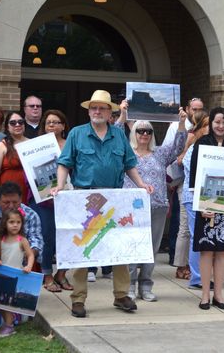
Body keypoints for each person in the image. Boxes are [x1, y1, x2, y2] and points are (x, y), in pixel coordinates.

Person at [52, 89, 153, 318]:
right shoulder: (77, 134)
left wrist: (141, 185)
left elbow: (129, 164)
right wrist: (59, 185)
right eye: (93, 108)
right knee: (83, 248)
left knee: (119, 247)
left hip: (115, 199)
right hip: (84, 199)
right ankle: (78, 298)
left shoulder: (118, 136)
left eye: (102, 108)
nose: (97, 111)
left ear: (110, 112)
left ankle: (121, 295)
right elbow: (64, 163)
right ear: (89, 111)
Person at [124, 112, 187, 302]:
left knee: (151, 248)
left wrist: (182, 123)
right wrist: (122, 116)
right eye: (140, 130)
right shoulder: (126, 152)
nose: (144, 134)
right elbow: (117, 133)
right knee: (132, 247)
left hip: (157, 206)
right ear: (133, 132)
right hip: (131, 208)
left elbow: (179, 145)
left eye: (148, 131)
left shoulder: (159, 153)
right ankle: (130, 285)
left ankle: (146, 285)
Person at [189, 107, 224, 310]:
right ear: (211, 123)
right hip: (206, 205)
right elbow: (194, 177)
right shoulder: (201, 144)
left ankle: (219, 295)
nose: (221, 126)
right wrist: (201, 206)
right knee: (207, 251)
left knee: (222, 252)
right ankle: (204, 295)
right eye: (217, 122)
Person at [32, 109, 73, 293]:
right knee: (47, 237)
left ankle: (62, 274)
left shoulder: (70, 145)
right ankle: (47, 275)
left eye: (56, 122)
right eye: (48, 122)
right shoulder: (36, 146)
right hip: (45, 200)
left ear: (63, 126)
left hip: (68, 198)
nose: (52, 125)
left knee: (70, 237)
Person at [175, 111, 209, 284]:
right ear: (201, 129)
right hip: (194, 196)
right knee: (198, 236)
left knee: (204, 236)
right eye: (208, 125)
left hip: (207, 197)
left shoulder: (206, 147)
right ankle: (197, 277)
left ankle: (201, 275)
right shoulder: (195, 148)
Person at [0, 181, 43, 267]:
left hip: (21, 265)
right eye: (6, 202)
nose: (11, 206)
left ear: (21, 199)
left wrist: (30, 253)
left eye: (15, 202)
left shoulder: (31, 215)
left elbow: (36, 239)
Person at [0, 208, 34, 337]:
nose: (15, 225)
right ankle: (8, 322)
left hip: (15, 277)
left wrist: (28, 266)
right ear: (5, 223)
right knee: (0, 302)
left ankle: (9, 326)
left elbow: (31, 255)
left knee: (8, 303)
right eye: (11, 222)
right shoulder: (2, 240)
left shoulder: (22, 240)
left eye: (18, 222)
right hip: (2, 276)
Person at [0, 111, 29, 204]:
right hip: (8, 192)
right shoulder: (1, 146)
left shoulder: (32, 143)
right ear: (7, 126)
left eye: (20, 122)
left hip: (29, 191)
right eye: (13, 122)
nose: (17, 124)